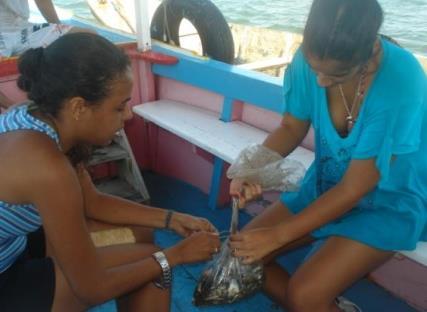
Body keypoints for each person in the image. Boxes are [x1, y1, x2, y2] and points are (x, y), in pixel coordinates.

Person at [228, 0, 427, 311]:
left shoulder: (401, 78)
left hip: (387, 201)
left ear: (368, 56)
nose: (320, 81)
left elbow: (356, 188)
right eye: (314, 68)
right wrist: (252, 169)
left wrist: (279, 235)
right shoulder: (311, 60)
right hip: (326, 186)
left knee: (305, 294)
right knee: (240, 260)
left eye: (335, 75)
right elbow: (292, 127)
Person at [0, 32, 221, 312]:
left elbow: (92, 203)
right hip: (6, 278)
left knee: (141, 233)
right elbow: (92, 288)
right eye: (119, 106)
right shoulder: (47, 166)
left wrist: (172, 219)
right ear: (79, 107)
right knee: (157, 266)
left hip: (15, 246)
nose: (128, 115)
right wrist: (176, 255)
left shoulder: (40, 117)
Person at [0, 0, 90, 109]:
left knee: (87, 37)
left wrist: (59, 28)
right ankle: (13, 108)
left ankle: (77, 93)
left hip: (22, 28)